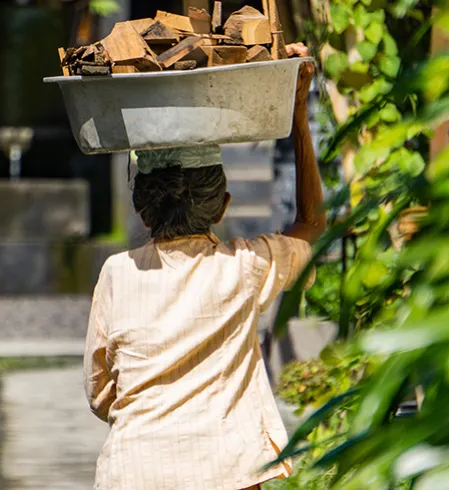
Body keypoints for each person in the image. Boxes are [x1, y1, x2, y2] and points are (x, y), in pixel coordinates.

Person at [83, 45, 324, 490]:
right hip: (230, 473)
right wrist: (297, 112)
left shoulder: (116, 273)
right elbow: (312, 224)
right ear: (222, 207)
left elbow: (100, 393)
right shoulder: (246, 267)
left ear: (141, 210)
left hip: (132, 473)